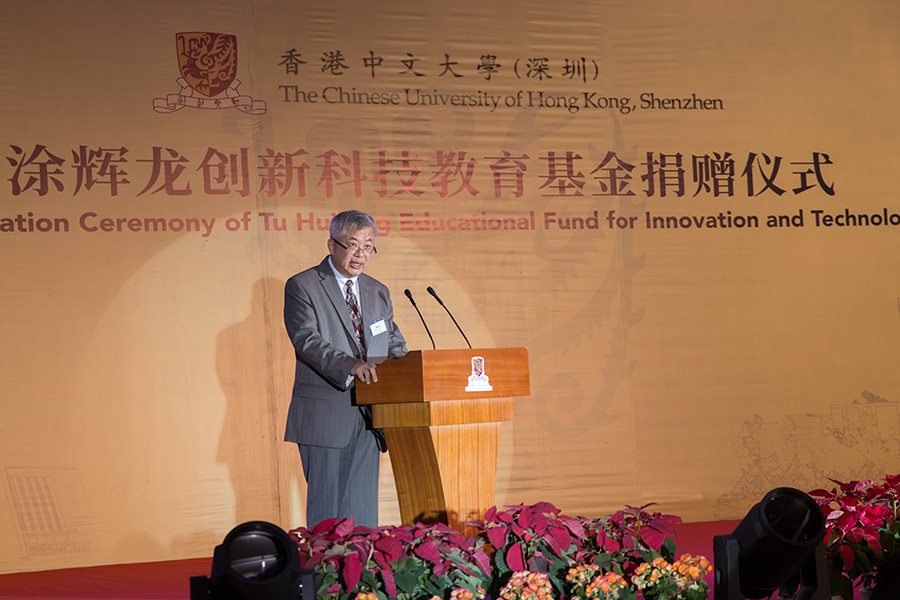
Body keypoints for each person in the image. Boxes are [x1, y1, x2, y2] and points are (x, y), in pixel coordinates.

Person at [283, 210, 407, 528]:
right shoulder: (303, 286)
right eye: (353, 245)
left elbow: (392, 343)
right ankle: (324, 563)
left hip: (370, 416)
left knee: (363, 515)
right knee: (328, 515)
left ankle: (362, 562)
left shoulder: (377, 291)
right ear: (332, 245)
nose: (361, 254)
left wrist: (411, 371)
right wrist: (351, 366)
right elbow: (307, 341)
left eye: (368, 246)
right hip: (326, 414)